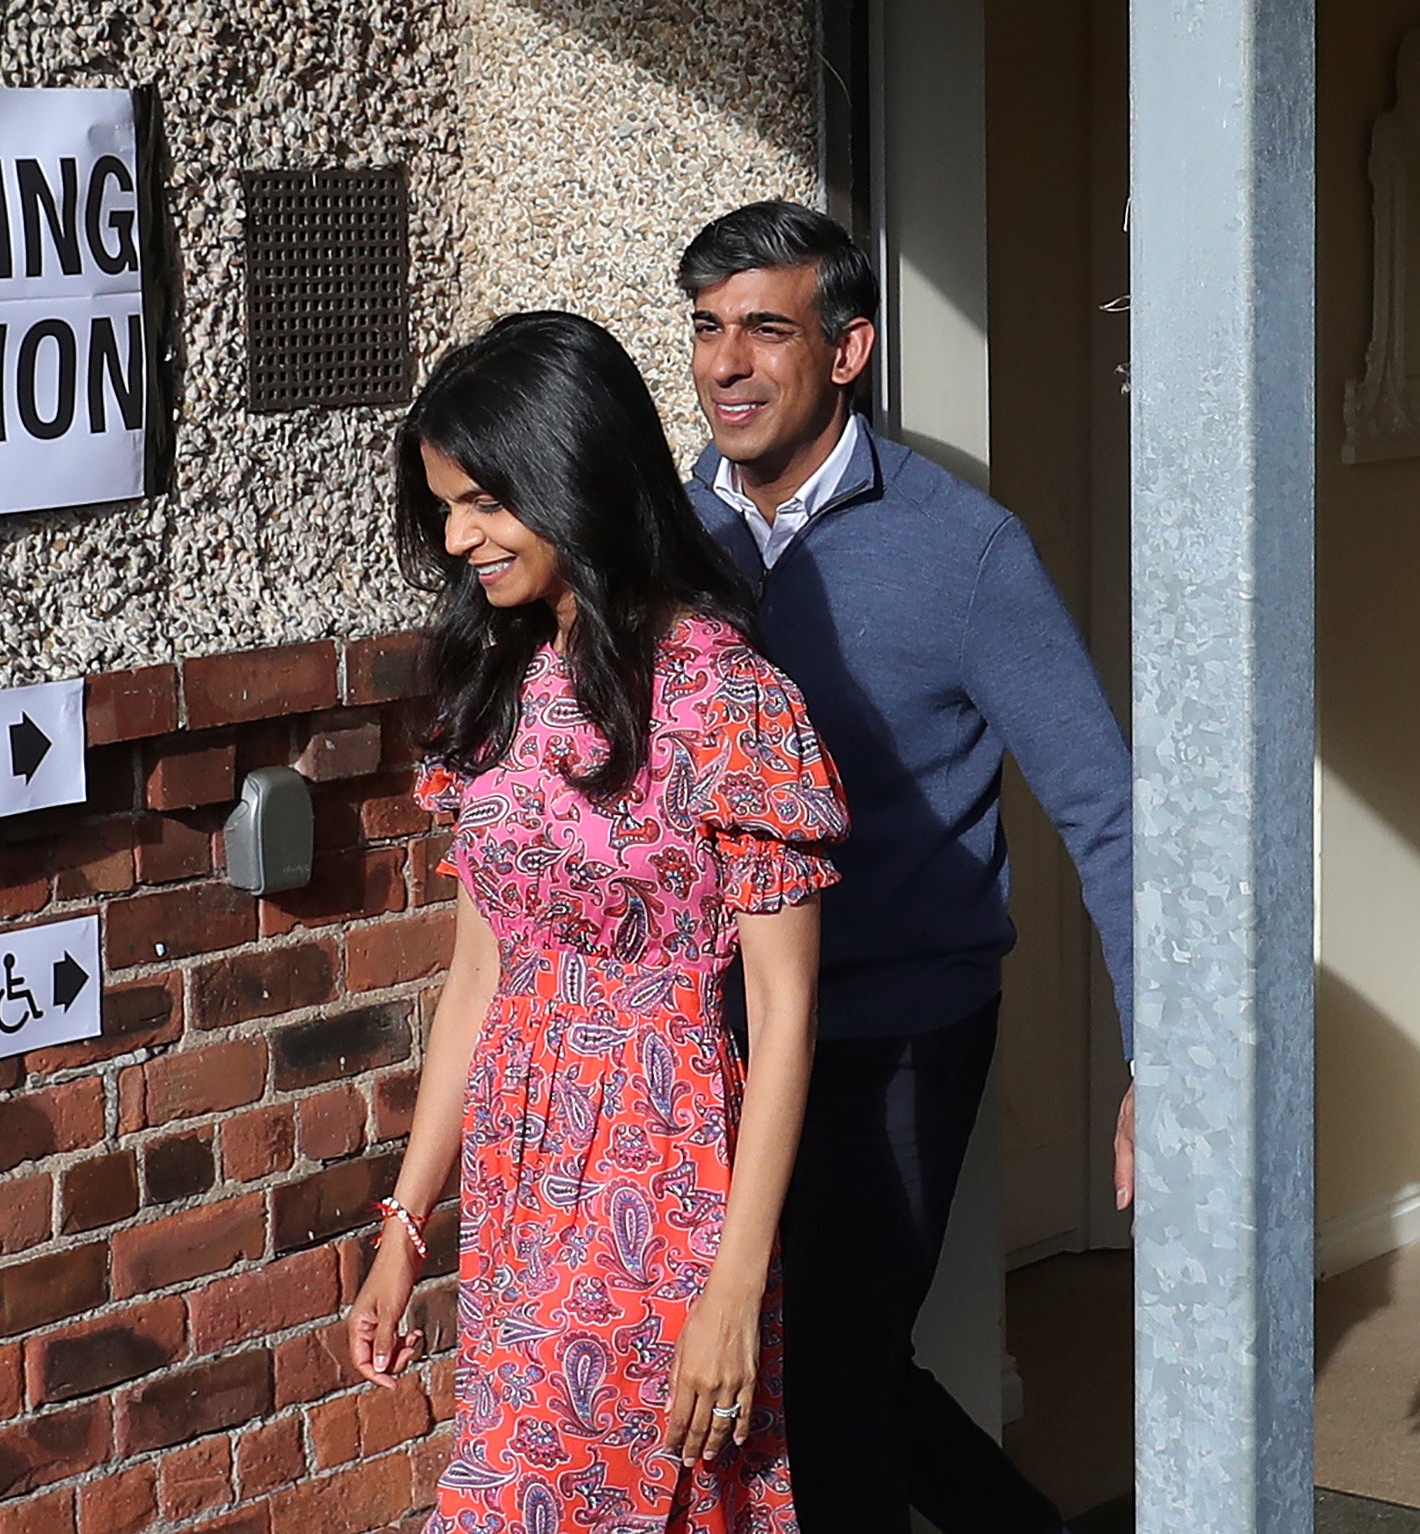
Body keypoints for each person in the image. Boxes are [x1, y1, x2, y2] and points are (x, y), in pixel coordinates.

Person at [345, 310, 849, 1533]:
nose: (458, 538)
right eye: (445, 507)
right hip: (521, 1184)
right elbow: (478, 979)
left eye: (482, 503)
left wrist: (734, 1283)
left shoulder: (729, 700)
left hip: (662, 1168)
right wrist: (408, 1229)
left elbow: (783, 1016)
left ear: (570, 476)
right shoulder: (499, 684)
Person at [677, 199, 1136, 1534]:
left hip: (899, 1029)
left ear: (850, 347)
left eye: (767, 327)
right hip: (721, 1035)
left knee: (822, 1380)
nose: (728, 363)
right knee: (823, 1364)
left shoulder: (966, 552)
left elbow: (1103, 804)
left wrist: (1159, 1053)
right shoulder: (669, 539)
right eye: (707, 328)